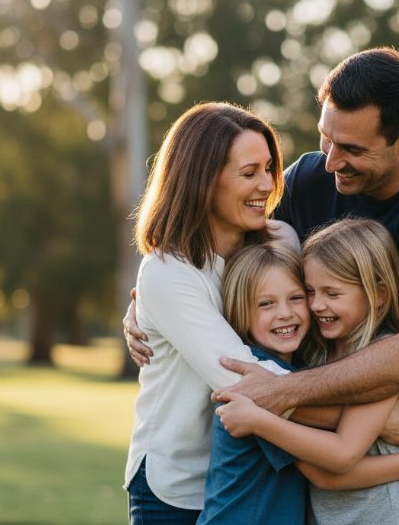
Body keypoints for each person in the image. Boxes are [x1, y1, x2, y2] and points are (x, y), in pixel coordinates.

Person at [126, 47, 399, 524]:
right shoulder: (310, 181)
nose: (332, 162)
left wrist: (287, 394)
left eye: (353, 150)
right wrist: (142, 308)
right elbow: (229, 256)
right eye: (327, 140)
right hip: (313, 456)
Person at [123, 101, 298, 525]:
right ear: (204, 181)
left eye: (269, 168)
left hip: (252, 471)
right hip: (175, 489)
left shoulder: (280, 241)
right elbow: (243, 380)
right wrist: (370, 416)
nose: (266, 185)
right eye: (248, 173)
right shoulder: (168, 271)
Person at [213, 219, 399, 525]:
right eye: (310, 292)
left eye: (332, 293)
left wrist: (259, 418)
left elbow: (340, 457)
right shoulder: (314, 356)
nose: (316, 305)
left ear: (379, 294)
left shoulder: (381, 361)